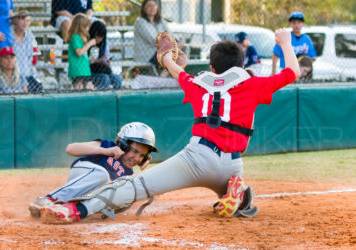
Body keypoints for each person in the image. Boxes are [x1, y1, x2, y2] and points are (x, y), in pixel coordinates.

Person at [39, 28, 300, 224]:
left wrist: (166, 57)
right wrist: (285, 42)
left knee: (136, 187)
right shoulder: (253, 83)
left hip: (198, 158)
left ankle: (74, 210)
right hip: (232, 164)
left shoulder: (199, 83)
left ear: (211, 67)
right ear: (241, 66)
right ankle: (239, 194)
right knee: (232, 182)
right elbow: (294, 72)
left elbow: (174, 68)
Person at [28, 122, 158, 218]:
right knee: (102, 175)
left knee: (117, 192)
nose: (137, 158)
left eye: (142, 155)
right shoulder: (108, 146)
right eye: (135, 151)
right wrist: (105, 151)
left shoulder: (129, 174)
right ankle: (48, 199)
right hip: (83, 172)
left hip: (89, 193)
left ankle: (60, 210)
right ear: (123, 144)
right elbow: (71, 148)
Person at [133, 0, 179, 76]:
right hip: (148, 53)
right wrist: (171, 43)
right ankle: (163, 76)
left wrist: (176, 42)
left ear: (157, 7)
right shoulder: (140, 22)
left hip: (163, 50)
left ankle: (164, 76)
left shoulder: (160, 21)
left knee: (180, 50)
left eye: (154, 5)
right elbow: (152, 40)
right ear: (144, 9)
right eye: (149, 6)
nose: (152, 8)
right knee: (174, 53)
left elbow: (171, 35)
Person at [11, 10, 42, 94]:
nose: (25, 23)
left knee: (39, 87)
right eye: (22, 20)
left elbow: (34, 58)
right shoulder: (10, 35)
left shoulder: (30, 36)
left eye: (27, 21)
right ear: (17, 20)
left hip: (27, 74)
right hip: (12, 75)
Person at [66, 13, 98, 90]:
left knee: (89, 87)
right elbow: (79, 52)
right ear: (81, 27)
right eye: (86, 26)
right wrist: (89, 44)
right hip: (78, 69)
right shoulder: (75, 37)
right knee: (78, 87)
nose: (88, 29)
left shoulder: (80, 37)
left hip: (84, 69)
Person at [88, 21, 122, 90]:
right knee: (105, 79)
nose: (99, 39)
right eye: (97, 36)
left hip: (101, 69)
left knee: (117, 79)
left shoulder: (104, 43)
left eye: (101, 37)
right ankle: (101, 98)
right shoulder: (87, 42)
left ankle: (117, 98)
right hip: (90, 71)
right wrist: (97, 60)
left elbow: (105, 58)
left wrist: (106, 62)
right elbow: (86, 61)